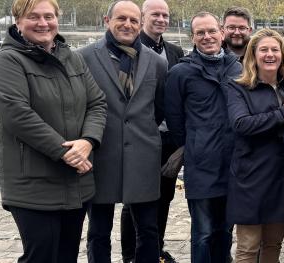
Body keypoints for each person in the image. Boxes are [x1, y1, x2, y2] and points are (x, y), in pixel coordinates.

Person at [0, 0, 107, 261]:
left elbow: (97, 103)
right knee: (40, 256)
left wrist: (88, 141)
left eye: (49, 16)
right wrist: (65, 152)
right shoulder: (8, 62)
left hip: (76, 184)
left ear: (57, 19)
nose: (43, 23)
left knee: (66, 256)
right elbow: (17, 115)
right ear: (18, 21)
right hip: (33, 186)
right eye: (33, 17)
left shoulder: (73, 58)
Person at [80, 1, 165, 263]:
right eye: (121, 19)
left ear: (140, 24)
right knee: (98, 231)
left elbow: (159, 108)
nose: (127, 24)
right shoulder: (84, 57)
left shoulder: (156, 63)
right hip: (101, 154)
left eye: (133, 20)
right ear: (107, 20)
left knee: (149, 230)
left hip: (143, 156)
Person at [163, 11, 243, 263]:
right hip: (201, 165)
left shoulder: (237, 67)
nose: (207, 37)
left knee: (226, 231)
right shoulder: (180, 72)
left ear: (221, 32)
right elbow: (175, 120)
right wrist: (195, 145)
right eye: (200, 33)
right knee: (203, 233)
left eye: (211, 31)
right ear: (193, 37)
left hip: (233, 162)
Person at [224, 29, 284, 263]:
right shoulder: (238, 87)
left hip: (283, 177)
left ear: (283, 54)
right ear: (253, 55)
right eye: (264, 50)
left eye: (275, 50)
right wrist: (282, 112)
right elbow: (241, 124)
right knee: (248, 247)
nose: (270, 54)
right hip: (251, 178)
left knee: (273, 244)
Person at [123, 0, 186, 261]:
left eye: (165, 15)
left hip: (169, 137)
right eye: (155, 14)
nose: (161, 19)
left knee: (165, 196)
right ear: (142, 17)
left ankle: (155, 249)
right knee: (134, 200)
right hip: (141, 136)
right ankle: (130, 254)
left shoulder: (175, 51)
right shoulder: (129, 50)